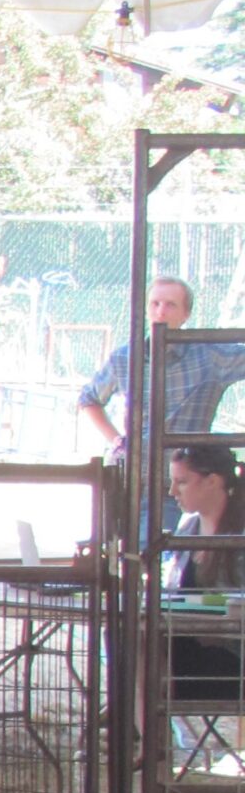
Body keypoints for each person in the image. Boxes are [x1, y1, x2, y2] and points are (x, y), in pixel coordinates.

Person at [77, 277, 245, 501]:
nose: (161, 311)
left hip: (178, 481)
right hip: (128, 474)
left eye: (170, 304)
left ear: (186, 314)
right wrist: (117, 441)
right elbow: (88, 399)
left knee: (152, 534)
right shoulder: (125, 357)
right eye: (155, 303)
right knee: (125, 533)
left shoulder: (210, 356)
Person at [164, 442, 244, 697]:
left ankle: (138, 720)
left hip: (232, 657)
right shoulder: (187, 528)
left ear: (212, 481)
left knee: (145, 647)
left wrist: (189, 604)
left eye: (182, 482)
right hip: (189, 641)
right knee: (131, 635)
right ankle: (139, 719)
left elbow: (237, 603)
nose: (172, 491)